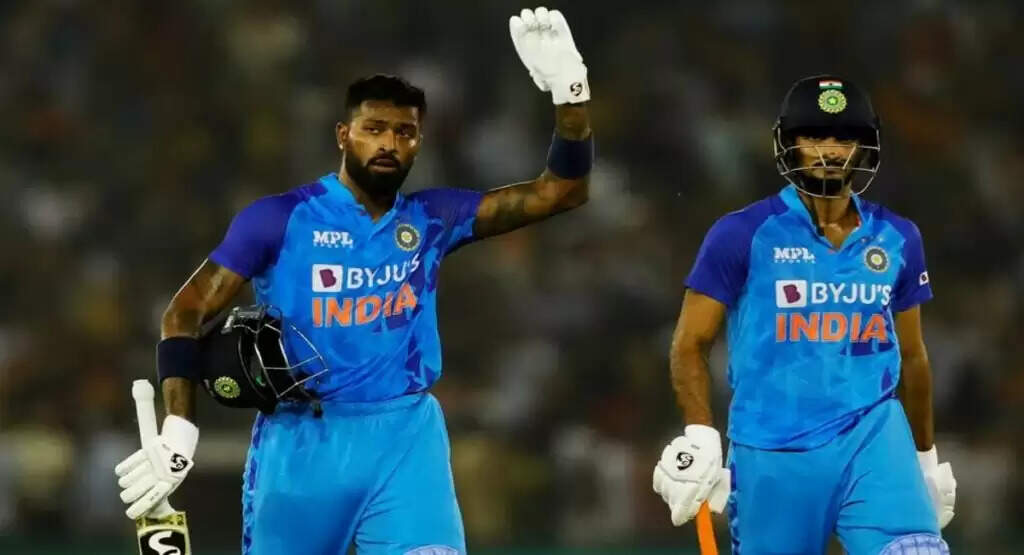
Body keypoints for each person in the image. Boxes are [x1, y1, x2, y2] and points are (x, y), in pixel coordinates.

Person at [113, 7, 592, 554]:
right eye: (374, 129)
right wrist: (180, 428)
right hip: (302, 442)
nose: (389, 143)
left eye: (405, 133)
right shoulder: (279, 219)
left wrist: (570, 94)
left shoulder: (433, 217)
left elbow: (563, 191)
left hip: (406, 440)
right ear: (344, 135)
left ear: (419, 143)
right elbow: (185, 312)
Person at [652, 75, 957, 554]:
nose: (829, 151)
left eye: (843, 138)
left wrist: (925, 460)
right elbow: (690, 343)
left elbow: (913, 356)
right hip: (771, 450)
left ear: (863, 147)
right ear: (787, 143)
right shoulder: (741, 234)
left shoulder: (898, 237)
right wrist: (700, 434)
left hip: (874, 438)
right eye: (813, 136)